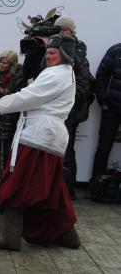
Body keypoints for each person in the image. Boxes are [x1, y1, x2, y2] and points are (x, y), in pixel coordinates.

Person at [0, 34, 80, 250]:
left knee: (15, 184)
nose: (48, 56)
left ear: (65, 55)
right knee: (52, 190)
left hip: (39, 137)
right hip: (47, 137)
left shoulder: (57, 75)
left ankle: (10, 236)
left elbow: (27, 96)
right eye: (47, 52)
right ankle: (66, 235)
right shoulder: (60, 73)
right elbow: (31, 83)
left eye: (53, 53)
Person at [54, 15, 94, 199]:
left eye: (65, 30)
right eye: (59, 30)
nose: (61, 33)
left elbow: (82, 82)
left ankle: (68, 192)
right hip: (54, 109)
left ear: (72, 31)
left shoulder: (79, 50)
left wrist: (68, 100)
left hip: (71, 109)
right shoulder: (52, 49)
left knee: (67, 149)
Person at [0, 50, 26, 192]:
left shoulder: (20, 77)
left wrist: (5, 93)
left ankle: (8, 181)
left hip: (11, 119)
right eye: (1, 61)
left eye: (5, 63)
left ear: (12, 63)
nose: (2, 65)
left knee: (9, 152)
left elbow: (21, 98)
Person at [91, 43, 121, 180]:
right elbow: (101, 75)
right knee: (103, 148)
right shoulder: (116, 50)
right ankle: (96, 184)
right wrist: (103, 101)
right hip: (112, 108)